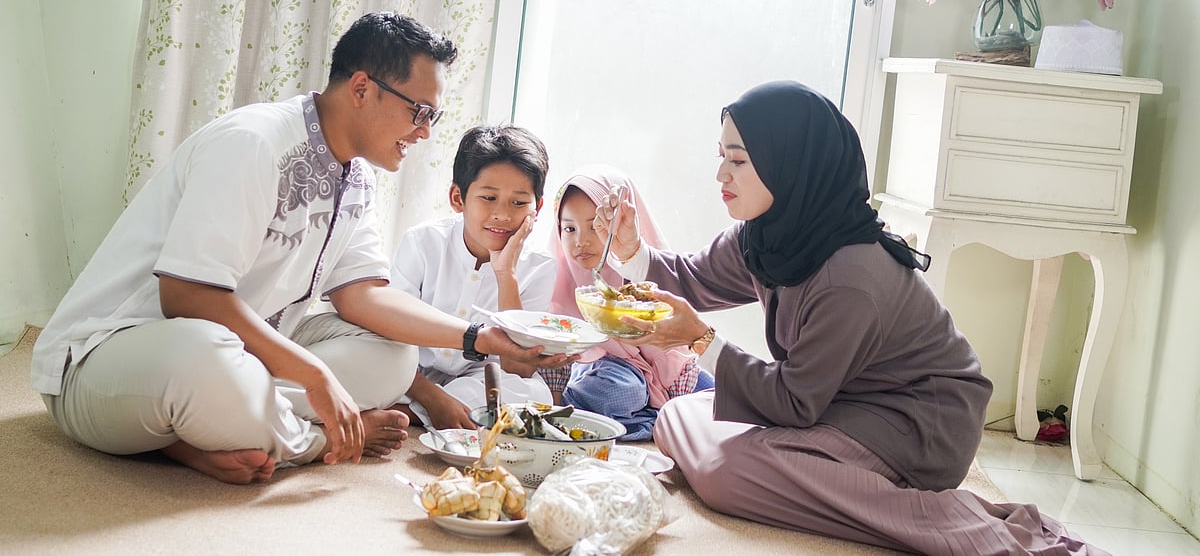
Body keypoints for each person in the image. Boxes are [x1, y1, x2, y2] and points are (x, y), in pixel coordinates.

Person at [29, 12, 572, 485]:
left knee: (395, 357)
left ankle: (213, 427)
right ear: (362, 88)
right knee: (203, 356)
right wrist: (315, 376)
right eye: (419, 112)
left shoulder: (358, 177)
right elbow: (187, 297)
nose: (426, 132)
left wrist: (480, 338)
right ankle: (312, 439)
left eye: (433, 116)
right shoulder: (253, 142)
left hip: (240, 352)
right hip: (107, 358)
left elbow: (363, 297)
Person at [596, 81, 1108, 554]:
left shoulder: (850, 275)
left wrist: (702, 340)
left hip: (916, 425)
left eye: (739, 161)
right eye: (721, 157)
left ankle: (948, 520)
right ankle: (809, 473)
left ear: (789, 165)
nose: (721, 175)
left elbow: (793, 402)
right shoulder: (770, 234)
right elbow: (690, 278)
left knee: (725, 470)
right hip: (837, 402)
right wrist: (631, 247)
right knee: (675, 416)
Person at [389, 123, 558, 429]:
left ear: (538, 208)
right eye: (488, 198)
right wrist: (432, 398)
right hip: (407, 371)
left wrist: (506, 274)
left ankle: (406, 414)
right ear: (458, 198)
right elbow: (390, 334)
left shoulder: (540, 266)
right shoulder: (423, 242)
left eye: (519, 203)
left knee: (532, 393)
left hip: (478, 380)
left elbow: (517, 368)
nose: (503, 215)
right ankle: (430, 410)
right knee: (364, 357)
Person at [542, 164, 712, 440]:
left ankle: (651, 415)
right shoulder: (557, 285)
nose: (581, 241)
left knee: (719, 396)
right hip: (598, 371)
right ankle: (648, 417)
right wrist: (556, 400)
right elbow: (554, 357)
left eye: (595, 227)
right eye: (569, 228)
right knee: (625, 390)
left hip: (656, 371)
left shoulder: (645, 277)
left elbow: (671, 352)